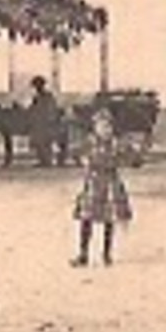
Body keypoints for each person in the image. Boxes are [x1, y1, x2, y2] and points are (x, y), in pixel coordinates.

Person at [71, 109, 132, 267]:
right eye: (101, 126)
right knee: (86, 218)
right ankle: (83, 254)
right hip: (93, 183)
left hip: (110, 183)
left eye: (107, 126)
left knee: (109, 219)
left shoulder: (115, 143)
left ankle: (106, 254)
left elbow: (128, 157)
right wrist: (83, 160)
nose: (105, 130)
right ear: (95, 127)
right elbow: (77, 153)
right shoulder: (90, 142)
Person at [28, 76, 62, 168]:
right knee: (39, 142)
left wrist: (50, 120)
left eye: (38, 86)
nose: (36, 88)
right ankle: (43, 160)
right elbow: (33, 109)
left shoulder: (48, 96)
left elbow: (51, 110)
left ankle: (48, 161)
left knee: (46, 142)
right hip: (39, 124)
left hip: (46, 123)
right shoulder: (37, 97)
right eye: (35, 86)